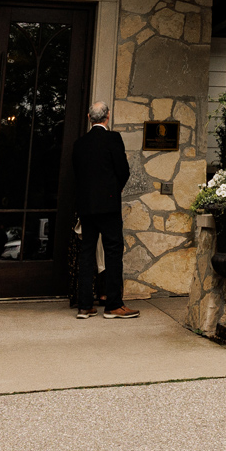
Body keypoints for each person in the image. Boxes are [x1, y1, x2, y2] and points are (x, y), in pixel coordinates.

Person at [70, 100, 136, 317]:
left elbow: (77, 177)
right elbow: (123, 170)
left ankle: (84, 306)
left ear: (90, 118)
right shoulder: (113, 139)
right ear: (107, 117)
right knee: (113, 252)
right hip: (108, 205)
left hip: (87, 207)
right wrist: (113, 191)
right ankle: (113, 304)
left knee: (87, 252)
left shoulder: (79, 143)